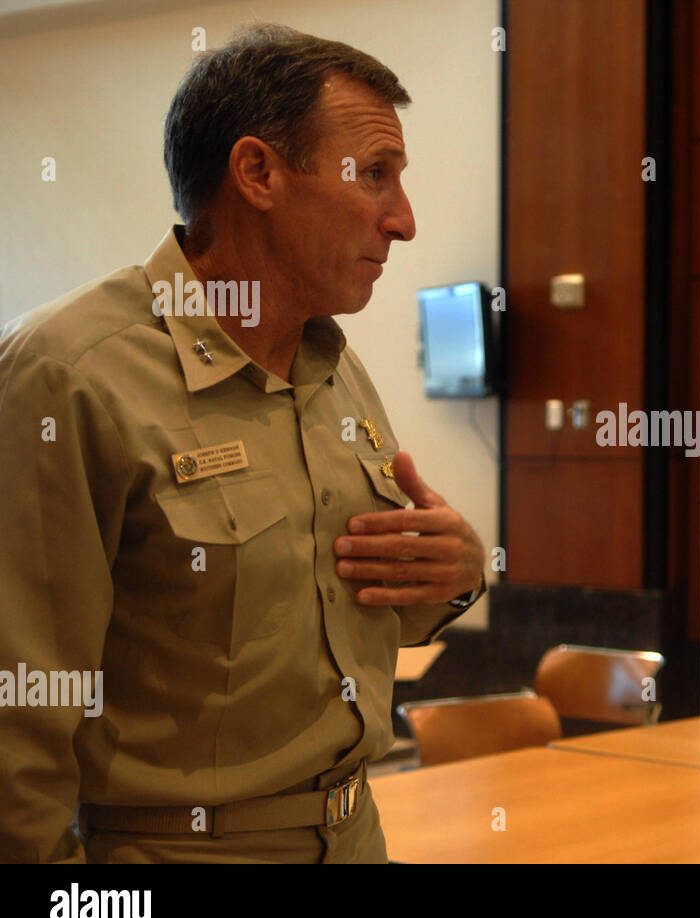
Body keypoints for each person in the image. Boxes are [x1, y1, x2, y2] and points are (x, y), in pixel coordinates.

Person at [0, 24, 486, 863]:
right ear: (258, 173)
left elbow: (334, 617)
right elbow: (18, 724)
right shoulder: (70, 374)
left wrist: (456, 575)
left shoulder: (334, 367)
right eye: (374, 175)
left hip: (355, 835)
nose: (402, 221)